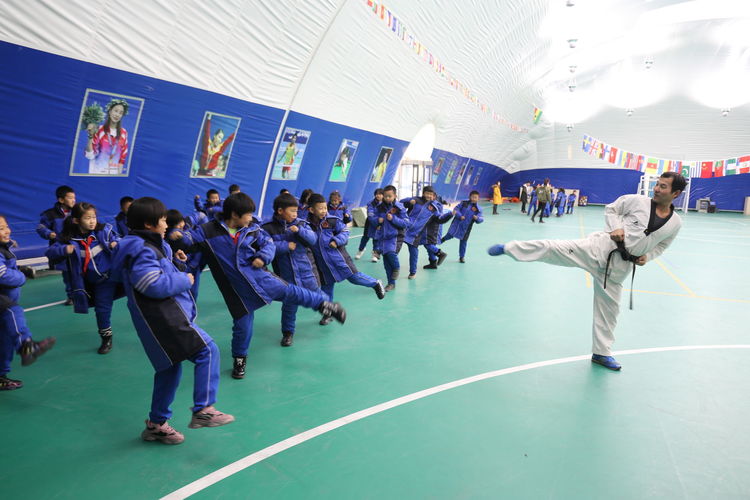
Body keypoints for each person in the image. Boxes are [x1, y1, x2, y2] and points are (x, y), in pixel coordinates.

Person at [487, 172, 687, 371]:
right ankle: (509, 248)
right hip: (598, 249)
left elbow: (662, 245)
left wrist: (648, 256)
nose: (656, 189)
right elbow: (612, 209)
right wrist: (615, 228)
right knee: (554, 248)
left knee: (609, 312)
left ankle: (601, 354)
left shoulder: (675, 223)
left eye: (663, 186)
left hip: (618, 269)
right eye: (657, 184)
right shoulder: (638, 201)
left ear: (675, 193)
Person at [110, 197, 234, 444]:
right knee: (207, 350)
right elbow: (150, 284)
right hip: (162, 317)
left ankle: (156, 424)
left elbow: (154, 270)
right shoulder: (141, 249)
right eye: (163, 220)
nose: (167, 224)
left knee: (169, 368)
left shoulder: (147, 244)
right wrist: (183, 280)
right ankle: (204, 408)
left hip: (155, 319)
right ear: (149, 224)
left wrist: (174, 262)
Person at [187, 193, 347, 379]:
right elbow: (188, 241)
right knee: (242, 327)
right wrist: (178, 236)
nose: (251, 218)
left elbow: (268, 245)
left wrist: (263, 257)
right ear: (234, 214)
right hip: (235, 289)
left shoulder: (253, 229)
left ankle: (325, 306)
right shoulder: (208, 231)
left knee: (292, 292)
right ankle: (240, 360)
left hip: (260, 277)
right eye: (248, 214)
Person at [46, 202, 122, 354]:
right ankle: (106, 335)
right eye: (87, 218)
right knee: (99, 308)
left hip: (107, 279)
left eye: (94, 217)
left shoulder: (104, 232)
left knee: (102, 308)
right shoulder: (68, 239)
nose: (92, 221)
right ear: (76, 220)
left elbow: (120, 239)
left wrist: (116, 243)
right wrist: (64, 249)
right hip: (86, 282)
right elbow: (50, 252)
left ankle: (107, 338)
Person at [306, 193, 384, 324]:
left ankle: (375, 283)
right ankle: (328, 314)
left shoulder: (332, 220)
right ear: (311, 210)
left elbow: (345, 231)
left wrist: (337, 240)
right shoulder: (307, 225)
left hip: (339, 258)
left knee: (354, 277)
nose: (324, 211)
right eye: (320, 208)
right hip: (321, 264)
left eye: (325, 208)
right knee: (326, 288)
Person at [0, 215, 56, 390]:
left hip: (6, 299)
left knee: (5, 338)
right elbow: (3, 274)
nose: (6, 231)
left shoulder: (4, 248)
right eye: (1, 228)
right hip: (4, 303)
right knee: (13, 312)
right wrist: (21, 276)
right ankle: (26, 345)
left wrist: (20, 269)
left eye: (6, 226)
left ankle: (1, 375)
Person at [261, 193, 323, 347]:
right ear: (280, 211)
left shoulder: (301, 223)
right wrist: (285, 246)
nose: (295, 214)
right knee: (289, 305)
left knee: (317, 295)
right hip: (286, 275)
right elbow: (265, 247)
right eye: (292, 211)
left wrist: (299, 231)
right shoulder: (267, 227)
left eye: (296, 211)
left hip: (307, 271)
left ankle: (327, 311)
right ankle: (288, 333)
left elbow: (313, 239)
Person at [38, 185, 76, 304]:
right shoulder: (50, 214)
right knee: (68, 274)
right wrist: (48, 233)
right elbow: (41, 227)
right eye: (70, 198)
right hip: (61, 249)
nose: (73, 200)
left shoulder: (78, 212)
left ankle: (83, 292)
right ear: (61, 200)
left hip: (76, 247)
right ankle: (72, 296)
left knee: (80, 272)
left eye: (74, 198)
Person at [401, 186, 447, 278]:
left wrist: (450, 215)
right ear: (423, 193)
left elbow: (440, 218)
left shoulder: (435, 206)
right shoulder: (416, 200)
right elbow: (401, 203)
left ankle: (439, 253)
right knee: (426, 244)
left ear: (434, 196)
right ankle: (433, 262)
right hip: (417, 229)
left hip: (429, 229)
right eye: (427, 193)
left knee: (427, 244)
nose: (429, 196)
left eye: (431, 194)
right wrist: (409, 201)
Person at [372, 186, 409, 291]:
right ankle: (391, 283)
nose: (387, 198)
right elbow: (373, 219)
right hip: (383, 237)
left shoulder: (399, 208)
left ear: (395, 196)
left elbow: (406, 223)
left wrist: (393, 218)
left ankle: (397, 267)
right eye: (385, 196)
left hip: (395, 237)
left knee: (391, 253)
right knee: (387, 263)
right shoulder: (380, 207)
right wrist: (377, 220)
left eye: (390, 196)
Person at [84, 98, 130, 175]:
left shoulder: (124, 133)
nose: (117, 115)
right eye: (116, 111)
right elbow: (89, 156)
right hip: (97, 173)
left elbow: (122, 158)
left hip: (113, 175)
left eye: (120, 113)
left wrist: (118, 176)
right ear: (110, 111)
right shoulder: (99, 130)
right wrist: (90, 136)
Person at [165, 209, 204, 299]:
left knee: (194, 291)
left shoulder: (188, 222)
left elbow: (201, 215)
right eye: (177, 225)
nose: (180, 225)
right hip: (182, 264)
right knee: (185, 291)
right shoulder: (170, 235)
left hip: (195, 262)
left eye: (181, 222)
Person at [441, 190, 484, 263]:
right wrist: (460, 216)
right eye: (472, 197)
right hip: (457, 224)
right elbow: (456, 209)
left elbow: (481, 219)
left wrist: (477, 218)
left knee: (463, 242)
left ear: (478, 198)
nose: (474, 199)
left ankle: (462, 257)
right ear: (469, 197)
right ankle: (442, 240)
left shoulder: (478, 209)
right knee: (449, 235)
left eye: (475, 197)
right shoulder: (464, 203)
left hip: (466, 228)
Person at [356, 188, 383, 262]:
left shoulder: (385, 204)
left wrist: (380, 224)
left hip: (380, 224)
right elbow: (370, 215)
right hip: (370, 223)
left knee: (376, 240)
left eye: (380, 194)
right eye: (376, 194)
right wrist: (377, 223)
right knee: (365, 238)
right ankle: (361, 250)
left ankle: (375, 255)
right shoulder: (371, 203)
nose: (378, 195)